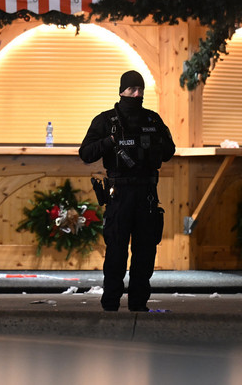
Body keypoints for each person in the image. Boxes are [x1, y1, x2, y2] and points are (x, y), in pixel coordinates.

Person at [79, 70, 175, 311]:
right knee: (116, 252)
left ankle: (138, 304)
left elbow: (169, 151)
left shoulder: (152, 120)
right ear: (122, 91)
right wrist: (109, 142)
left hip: (147, 195)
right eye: (132, 90)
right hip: (119, 195)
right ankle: (111, 303)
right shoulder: (106, 120)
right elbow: (86, 153)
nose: (137, 94)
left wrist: (154, 145)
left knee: (145, 252)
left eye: (140, 90)